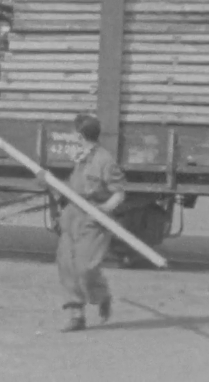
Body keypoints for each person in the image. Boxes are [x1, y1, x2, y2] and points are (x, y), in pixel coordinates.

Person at [52, 113, 126, 332]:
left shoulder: (105, 161)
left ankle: (102, 295)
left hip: (93, 219)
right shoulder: (79, 156)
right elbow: (72, 185)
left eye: (74, 132)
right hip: (72, 216)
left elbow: (118, 193)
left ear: (80, 135)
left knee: (85, 267)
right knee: (67, 264)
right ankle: (76, 315)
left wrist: (104, 210)